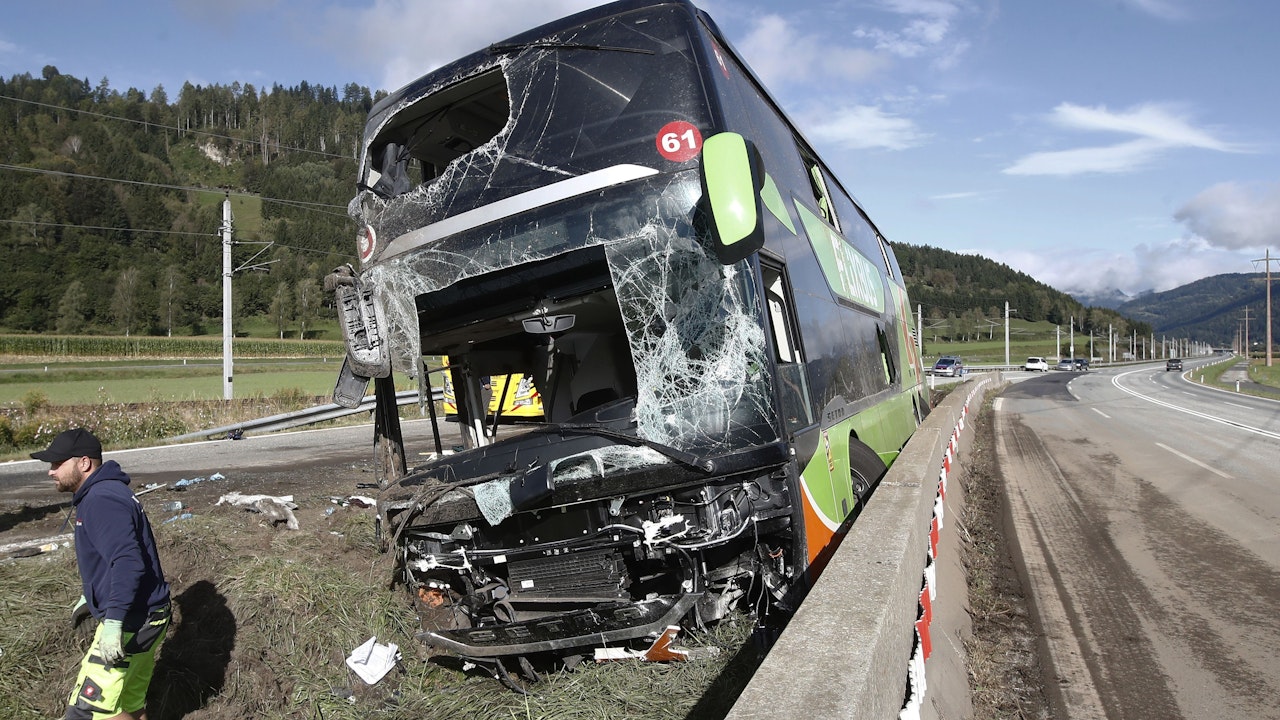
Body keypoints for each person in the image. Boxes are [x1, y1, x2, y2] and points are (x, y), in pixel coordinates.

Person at [32, 428, 171, 720]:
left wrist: (114, 623)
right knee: (128, 702)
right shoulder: (105, 492)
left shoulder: (101, 499)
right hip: (151, 614)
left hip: (133, 620)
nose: (51, 472)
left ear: (84, 463)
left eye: (58, 464)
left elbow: (128, 562)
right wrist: (91, 593)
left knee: (87, 713)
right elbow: (114, 555)